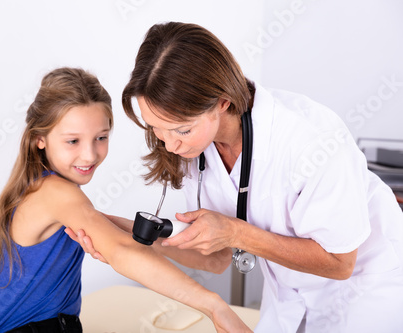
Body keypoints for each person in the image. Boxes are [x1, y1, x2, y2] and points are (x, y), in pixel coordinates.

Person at [70, 22, 403, 332]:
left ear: (222, 102)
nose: (169, 144)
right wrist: (132, 234)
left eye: (181, 130)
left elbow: (340, 262)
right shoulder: (193, 149)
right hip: (288, 295)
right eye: (156, 129)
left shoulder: (311, 140)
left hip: (365, 291)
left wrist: (235, 233)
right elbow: (215, 260)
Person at [0, 67, 252, 333]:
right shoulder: (55, 192)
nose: (90, 155)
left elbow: (215, 263)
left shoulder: (48, 192)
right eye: (73, 141)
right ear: (39, 139)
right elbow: (122, 251)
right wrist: (214, 306)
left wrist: (131, 231)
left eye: (101, 137)